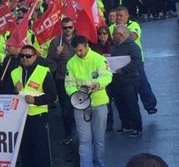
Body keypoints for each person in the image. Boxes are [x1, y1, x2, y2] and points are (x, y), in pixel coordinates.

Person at [65, 36, 113, 167]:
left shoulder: (99, 59)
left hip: (99, 102)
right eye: (76, 51)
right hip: (80, 104)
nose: (78, 54)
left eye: (80, 50)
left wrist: (97, 84)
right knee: (84, 140)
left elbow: (107, 76)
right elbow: (69, 84)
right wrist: (76, 93)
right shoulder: (71, 63)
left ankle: (100, 164)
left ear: (87, 46)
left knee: (99, 140)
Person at [11, 45, 56, 167]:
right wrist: (14, 90)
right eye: (22, 56)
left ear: (35, 57)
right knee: (25, 150)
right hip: (21, 117)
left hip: (38, 115)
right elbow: (7, 94)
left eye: (28, 56)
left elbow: (52, 96)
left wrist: (35, 100)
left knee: (41, 150)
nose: (24, 58)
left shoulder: (43, 71)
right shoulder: (14, 72)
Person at [112, 6, 157, 114]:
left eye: (121, 16)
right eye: (117, 16)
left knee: (142, 83)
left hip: (135, 59)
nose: (118, 18)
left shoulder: (133, 25)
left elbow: (133, 36)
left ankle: (150, 105)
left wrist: (121, 33)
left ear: (127, 16)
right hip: (120, 60)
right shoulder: (112, 28)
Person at [47, 17, 76, 145]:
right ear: (61, 28)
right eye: (65, 28)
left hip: (77, 78)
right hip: (62, 78)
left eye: (70, 27)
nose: (68, 30)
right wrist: (56, 54)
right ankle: (68, 133)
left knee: (78, 105)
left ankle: (78, 130)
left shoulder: (78, 40)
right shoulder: (55, 42)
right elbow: (49, 60)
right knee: (65, 108)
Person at [111, 25, 143, 136]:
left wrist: (123, 70)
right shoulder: (115, 46)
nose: (112, 36)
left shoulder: (133, 47)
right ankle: (126, 124)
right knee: (120, 103)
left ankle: (137, 126)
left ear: (120, 34)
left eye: (114, 34)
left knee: (132, 104)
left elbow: (137, 62)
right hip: (117, 80)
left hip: (130, 80)